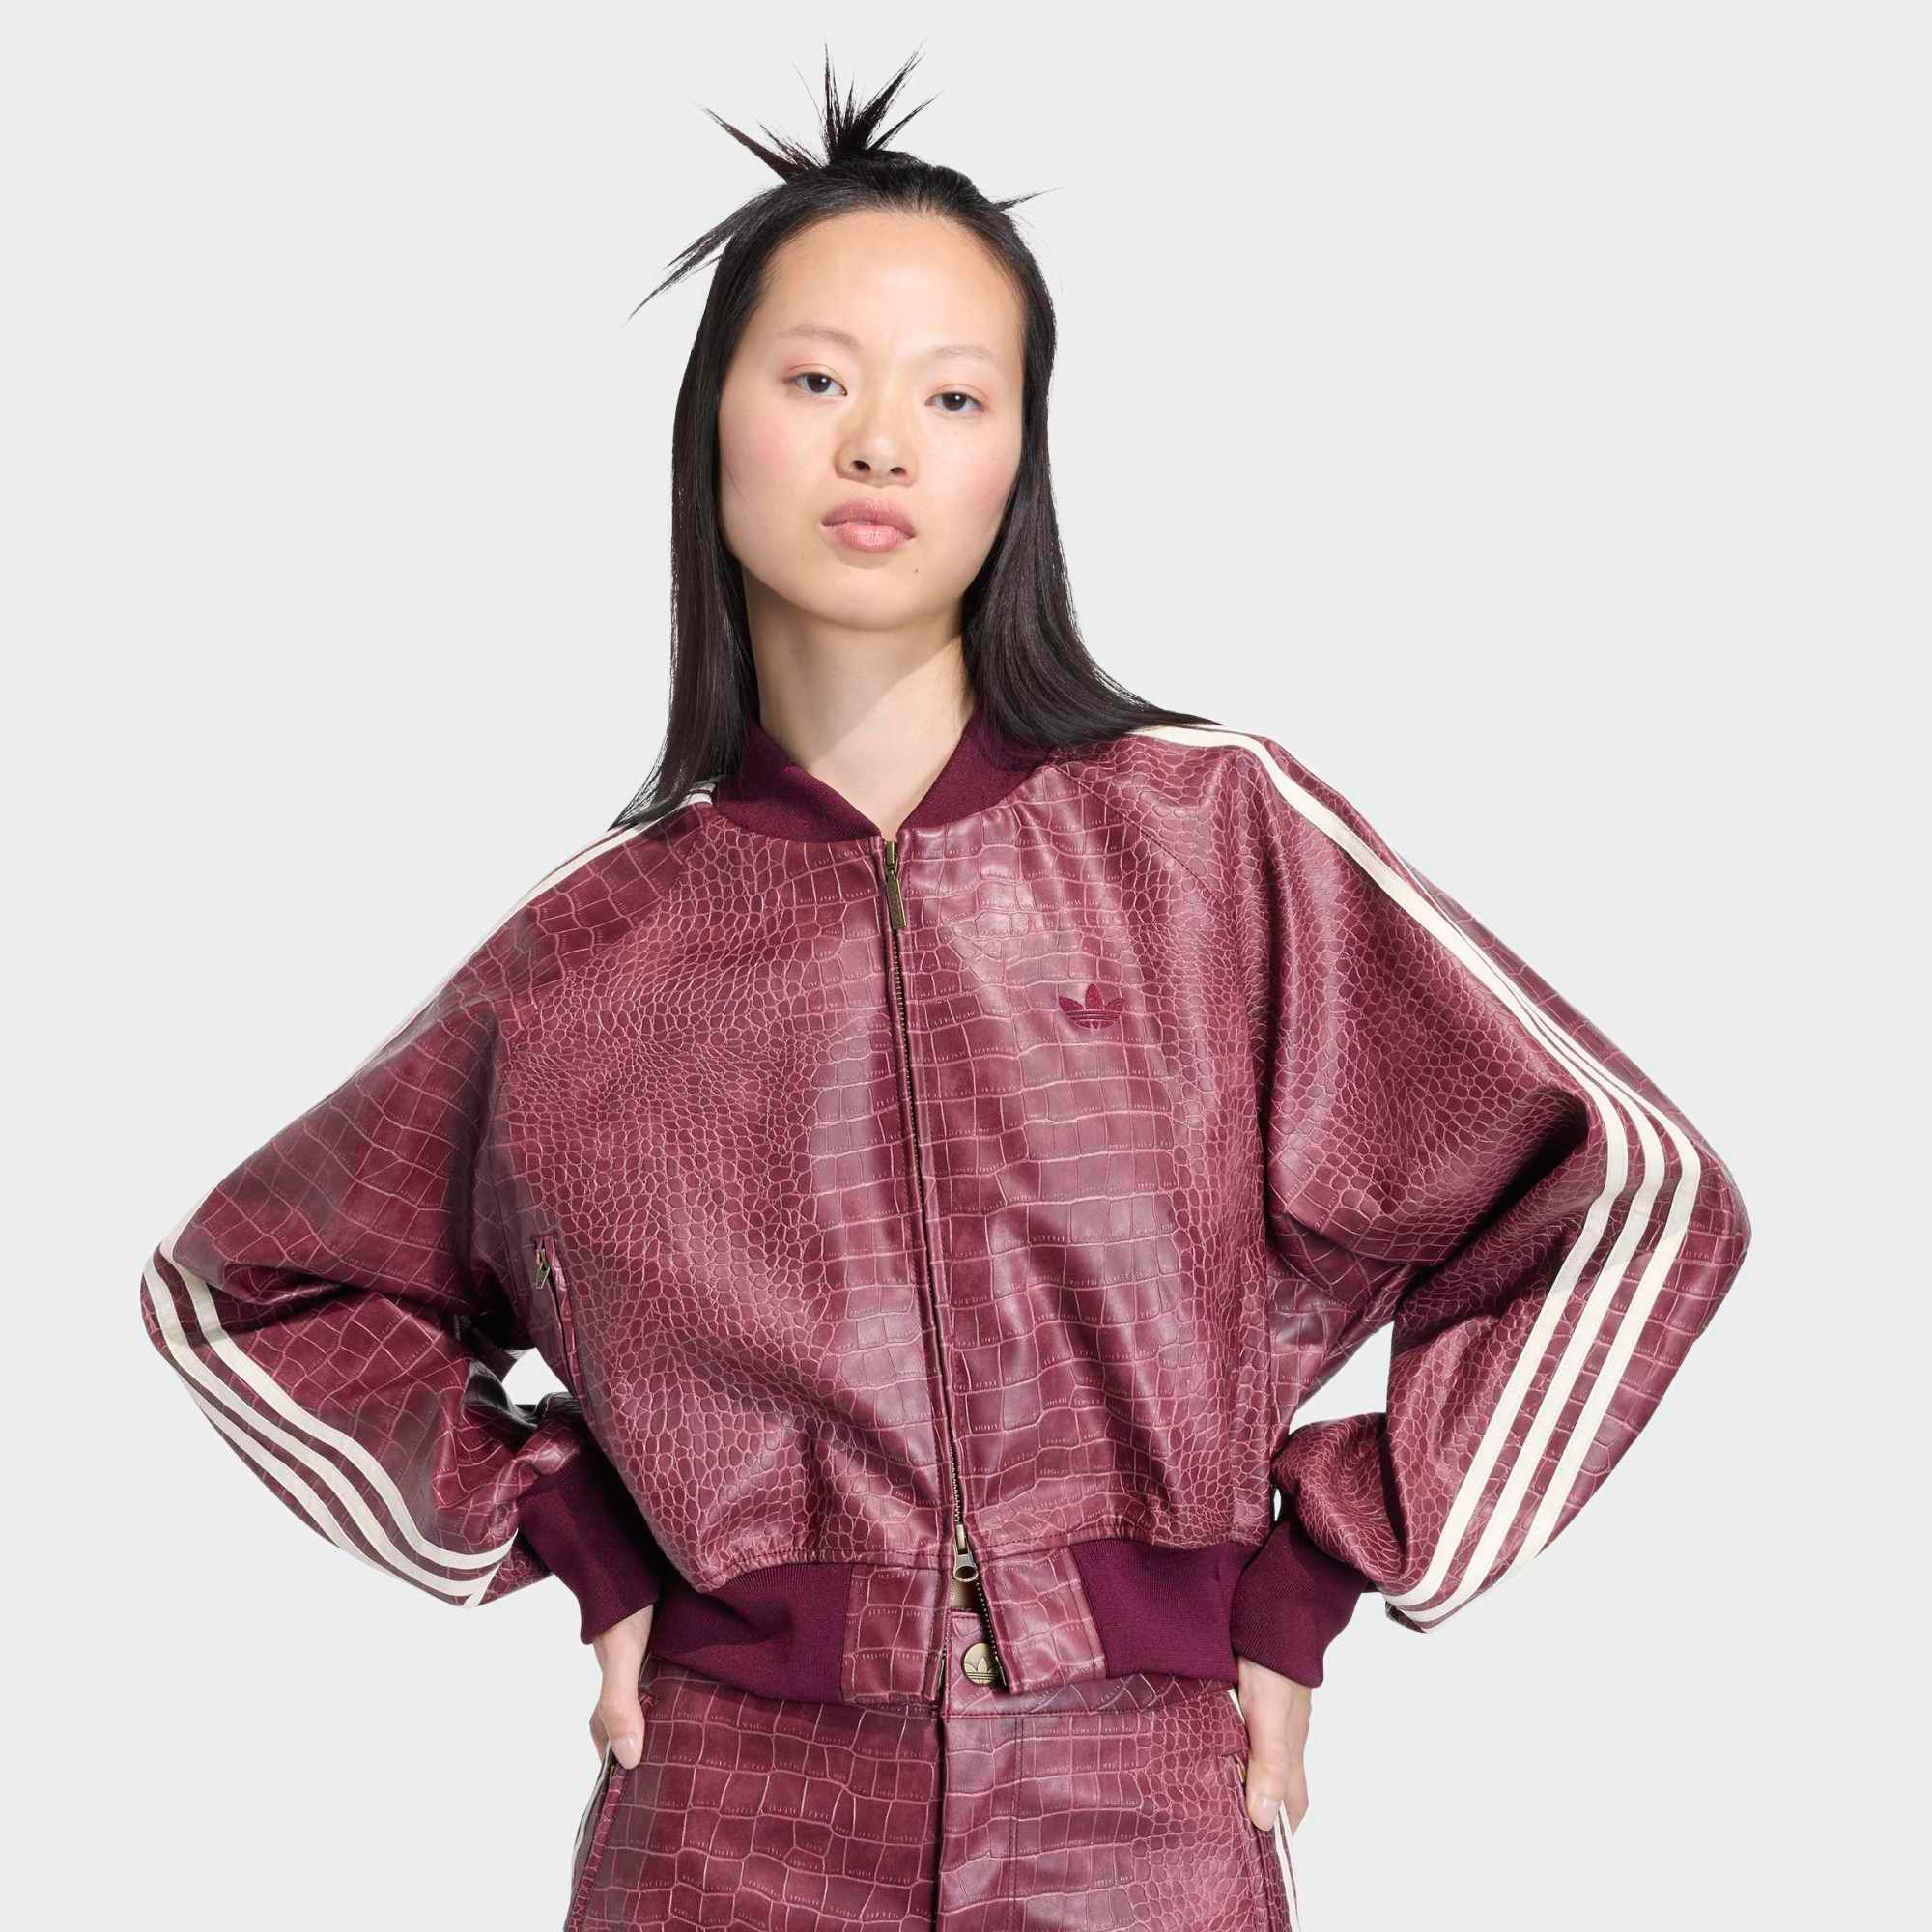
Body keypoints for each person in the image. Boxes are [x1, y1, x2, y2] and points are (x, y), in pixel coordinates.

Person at [138, 48, 1753, 1932]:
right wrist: (565, 1525)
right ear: (713, 424)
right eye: (817, 379)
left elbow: (1634, 1192)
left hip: (1137, 1814)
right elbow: (245, 1287)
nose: (881, 445)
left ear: (1019, 460)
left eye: (954, 394)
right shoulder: (585, 956)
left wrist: (1326, 1561)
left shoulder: (1216, 839)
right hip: (724, 1826)